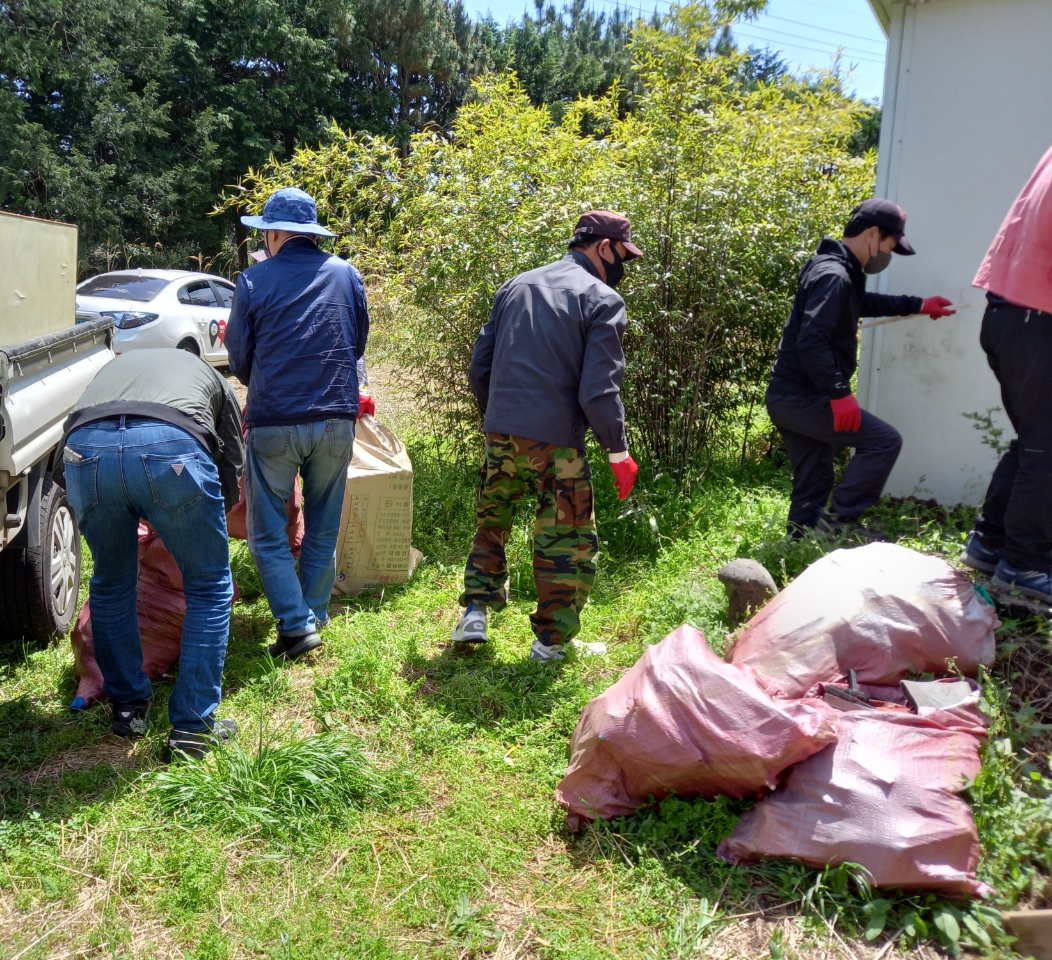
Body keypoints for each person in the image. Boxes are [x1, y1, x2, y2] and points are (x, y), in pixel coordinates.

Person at [452, 210, 643, 662]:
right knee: (567, 538)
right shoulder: (602, 299)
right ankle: (550, 643)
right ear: (603, 247)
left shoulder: (516, 285)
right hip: (559, 443)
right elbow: (599, 391)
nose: (623, 267)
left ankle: (475, 613)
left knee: (493, 518)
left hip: (500, 430)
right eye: (623, 255)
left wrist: (499, 416)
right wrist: (618, 450)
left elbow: (480, 366)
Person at [57, 349, 244, 762]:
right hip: (172, 451)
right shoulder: (212, 377)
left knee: (110, 583)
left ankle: (128, 709)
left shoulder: (112, 371)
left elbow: (63, 458)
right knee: (210, 586)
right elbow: (231, 461)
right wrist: (193, 516)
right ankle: (194, 728)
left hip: (85, 455)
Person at [226, 187, 370, 660]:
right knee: (324, 523)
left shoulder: (251, 281)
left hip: (275, 422)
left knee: (268, 533)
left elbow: (241, 359)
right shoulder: (347, 275)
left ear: (276, 233)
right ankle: (313, 614)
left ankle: (296, 624)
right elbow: (358, 343)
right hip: (335, 418)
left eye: (265, 231)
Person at [766, 198, 955, 538]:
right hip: (802, 399)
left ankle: (798, 547)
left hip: (787, 397)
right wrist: (839, 393)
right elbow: (811, 341)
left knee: (815, 476)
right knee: (884, 442)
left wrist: (919, 305)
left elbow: (859, 303)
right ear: (872, 233)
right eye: (889, 245)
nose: (887, 255)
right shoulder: (834, 275)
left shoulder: (832, 267)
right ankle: (839, 527)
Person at [966, 145, 1052, 603]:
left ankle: (990, 544)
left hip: (1010, 312)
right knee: (1047, 448)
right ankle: (1025, 566)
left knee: (1035, 441)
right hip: (1037, 317)